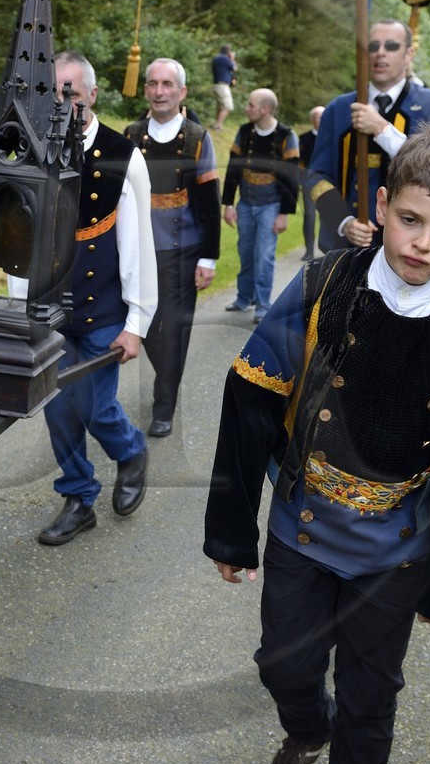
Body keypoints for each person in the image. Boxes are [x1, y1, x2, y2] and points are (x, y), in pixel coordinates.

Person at [205, 125, 430, 764]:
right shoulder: (325, 283)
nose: (421, 244)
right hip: (302, 525)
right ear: (383, 205)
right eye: (410, 220)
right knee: (283, 661)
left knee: (372, 691)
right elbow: (250, 397)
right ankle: (305, 729)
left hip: (398, 548)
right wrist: (230, 530)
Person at [33, 51, 158, 545]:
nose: (63, 103)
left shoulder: (124, 155)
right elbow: (26, 237)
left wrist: (137, 322)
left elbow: (138, 245)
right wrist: (23, 311)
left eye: (72, 93)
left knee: (95, 407)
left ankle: (130, 452)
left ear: (92, 95)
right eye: (55, 94)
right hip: (49, 311)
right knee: (57, 408)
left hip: (106, 307)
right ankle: (78, 496)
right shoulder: (35, 149)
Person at [124, 58, 220, 438]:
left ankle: (163, 406)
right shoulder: (131, 135)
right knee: (144, 324)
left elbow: (209, 202)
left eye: (167, 84)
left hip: (185, 249)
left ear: (181, 92)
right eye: (152, 84)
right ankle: (169, 374)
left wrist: (208, 257)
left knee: (176, 329)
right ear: (145, 89)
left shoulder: (197, 137)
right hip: (140, 250)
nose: (159, 91)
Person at [307, 19, 430, 251]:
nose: (380, 53)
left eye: (391, 46)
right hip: (343, 247)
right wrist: (344, 222)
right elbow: (316, 178)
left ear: (408, 54)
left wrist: (382, 130)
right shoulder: (338, 108)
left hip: (407, 249)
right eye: (373, 47)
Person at [223, 88, 300, 324]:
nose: (246, 108)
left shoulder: (287, 135)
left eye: (250, 104)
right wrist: (228, 203)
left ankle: (263, 305)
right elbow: (233, 168)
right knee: (245, 252)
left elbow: (291, 176)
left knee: (264, 256)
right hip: (245, 204)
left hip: (271, 206)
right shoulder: (245, 132)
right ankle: (244, 298)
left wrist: (284, 213)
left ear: (265, 109)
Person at [298, 106, 325, 261]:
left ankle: (325, 247)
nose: (318, 120)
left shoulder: (330, 137)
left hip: (326, 184)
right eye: (315, 117)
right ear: (311, 120)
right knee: (309, 216)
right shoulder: (303, 139)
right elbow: (299, 162)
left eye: (321, 117)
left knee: (326, 217)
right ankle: (309, 250)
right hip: (308, 182)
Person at [212, 45, 238, 132]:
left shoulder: (216, 59)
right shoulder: (225, 59)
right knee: (228, 107)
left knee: (220, 106)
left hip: (217, 85)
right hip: (223, 85)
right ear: (228, 52)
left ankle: (216, 124)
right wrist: (232, 58)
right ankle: (218, 126)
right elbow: (235, 68)